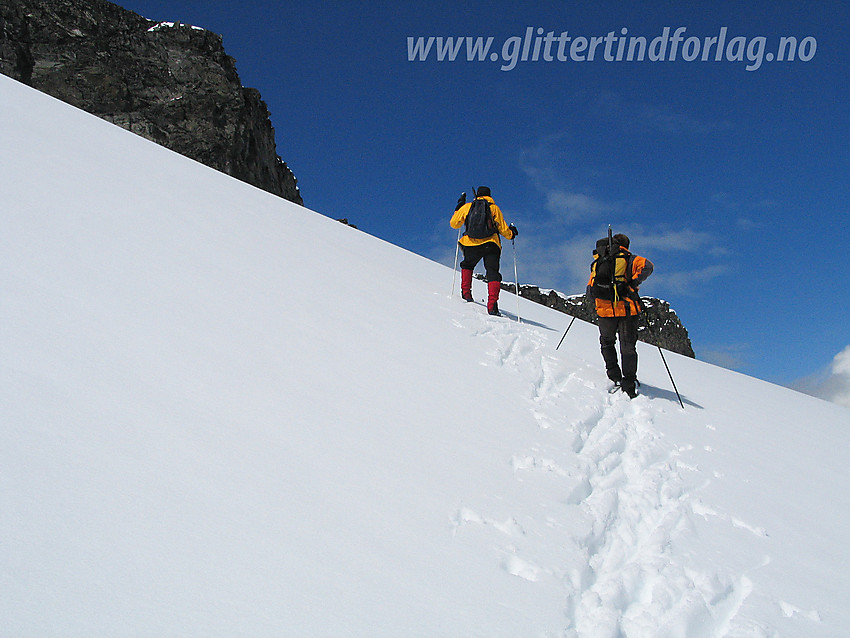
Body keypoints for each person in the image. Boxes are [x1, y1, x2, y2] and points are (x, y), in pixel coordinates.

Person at [586, 232, 653, 398]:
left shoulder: (598, 261)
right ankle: (629, 382)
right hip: (628, 310)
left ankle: (614, 375)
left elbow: (590, 290)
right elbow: (648, 266)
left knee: (607, 342)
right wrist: (632, 284)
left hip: (604, 311)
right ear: (626, 245)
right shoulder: (630, 259)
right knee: (628, 346)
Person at [450, 186, 517, 316]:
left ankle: (466, 294)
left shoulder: (468, 207)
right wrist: (512, 234)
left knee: (467, 265)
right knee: (492, 272)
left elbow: (454, 223)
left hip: (470, 243)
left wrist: (458, 207)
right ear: (489, 195)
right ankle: (492, 306)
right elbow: (504, 230)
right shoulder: (493, 208)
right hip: (491, 244)